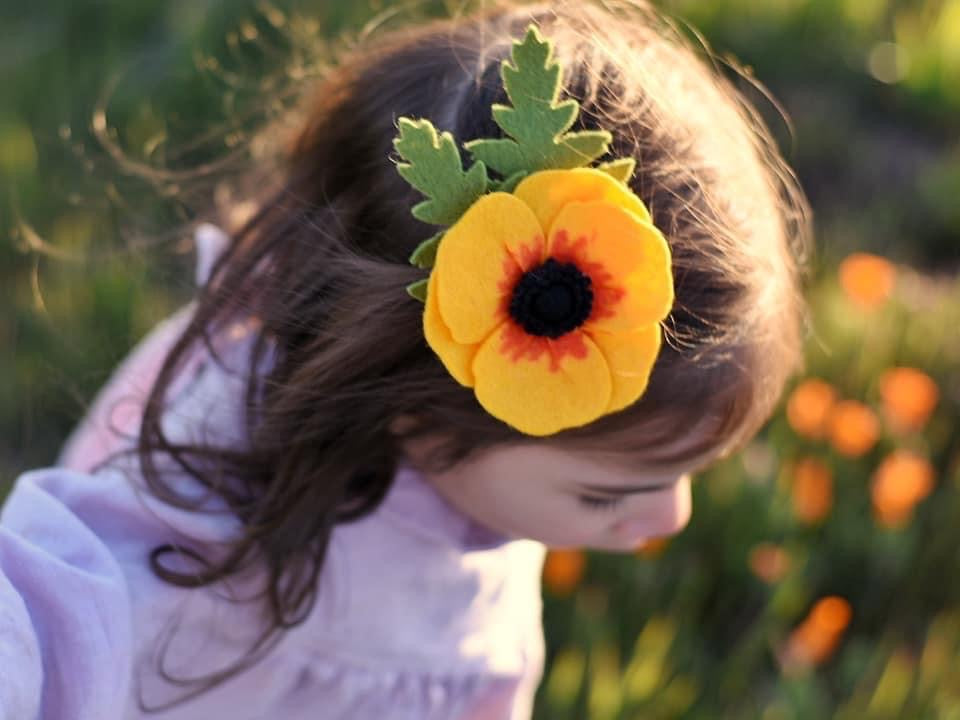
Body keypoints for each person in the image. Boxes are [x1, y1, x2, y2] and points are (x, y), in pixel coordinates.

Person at [0, 0, 811, 718]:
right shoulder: (219, 494)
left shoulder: (489, 446)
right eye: (606, 494)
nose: (673, 517)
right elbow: (49, 616)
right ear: (415, 413)